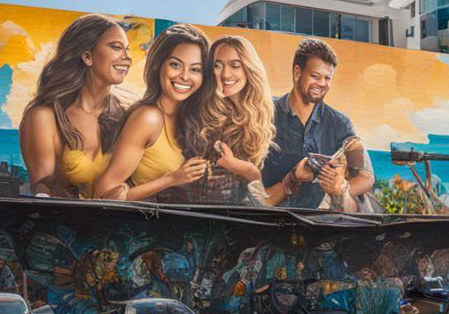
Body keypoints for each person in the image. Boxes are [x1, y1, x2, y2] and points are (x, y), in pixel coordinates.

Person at [93, 24, 210, 201]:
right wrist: (172, 179)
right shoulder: (148, 118)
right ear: (158, 65)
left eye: (195, 69)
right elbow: (102, 194)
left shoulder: (190, 119)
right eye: (175, 65)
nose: (185, 76)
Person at [19, 14, 131, 197]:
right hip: (68, 223)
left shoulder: (126, 115)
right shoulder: (45, 117)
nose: (127, 58)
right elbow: (44, 190)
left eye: (127, 49)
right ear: (87, 56)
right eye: (116, 47)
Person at [261, 38, 375, 210]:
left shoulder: (340, 123)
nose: (322, 84)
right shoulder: (264, 113)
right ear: (297, 72)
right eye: (315, 76)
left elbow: (365, 178)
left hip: (318, 225)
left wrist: (338, 188)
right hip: (268, 220)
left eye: (327, 78)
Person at [192, 35, 276, 204]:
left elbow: (260, 200)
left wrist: (248, 171)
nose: (225, 74)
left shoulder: (263, 113)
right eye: (217, 65)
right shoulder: (201, 111)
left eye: (235, 65)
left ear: (249, 68)